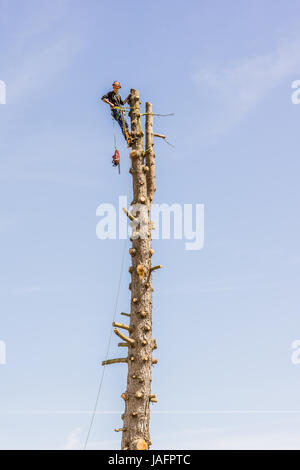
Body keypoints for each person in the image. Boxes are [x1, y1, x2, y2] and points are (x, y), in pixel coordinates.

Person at [101, 81, 131, 146]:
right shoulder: (110, 94)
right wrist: (110, 103)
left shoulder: (118, 96)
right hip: (115, 110)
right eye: (116, 85)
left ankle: (128, 138)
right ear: (113, 86)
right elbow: (103, 98)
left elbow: (122, 103)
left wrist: (128, 96)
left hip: (119, 110)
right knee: (123, 123)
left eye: (118, 86)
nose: (117, 87)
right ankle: (128, 138)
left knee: (124, 124)